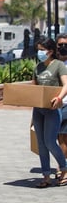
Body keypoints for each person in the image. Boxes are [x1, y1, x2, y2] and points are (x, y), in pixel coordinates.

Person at [32, 38, 67, 188]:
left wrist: (59, 97)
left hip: (53, 110)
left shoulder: (59, 65)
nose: (40, 52)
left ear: (50, 51)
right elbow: (33, 89)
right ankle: (46, 175)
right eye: (38, 49)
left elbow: (66, 84)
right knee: (41, 144)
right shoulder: (38, 67)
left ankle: (64, 168)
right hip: (38, 110)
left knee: (50, 141)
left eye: (42, 49)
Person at [56, 34, 67, 173]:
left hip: (66, 104)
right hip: (55, 106)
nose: (63, 47)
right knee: (59, 138)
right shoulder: (54, 64)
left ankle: (62, 168)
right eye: (60, 45)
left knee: (63, 137)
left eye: (66, 44)